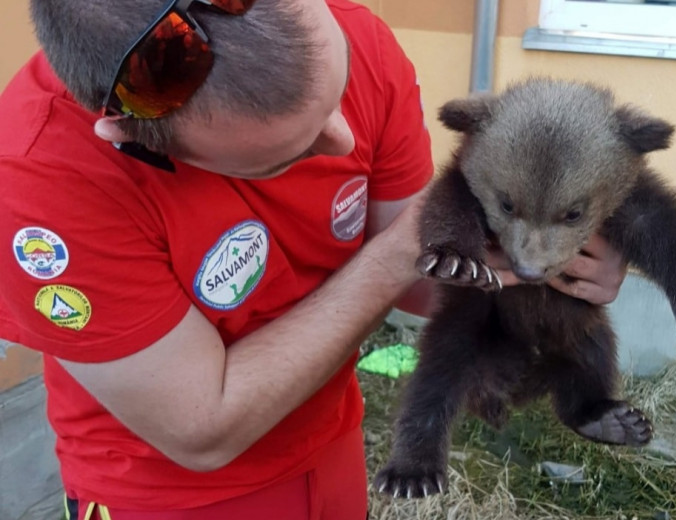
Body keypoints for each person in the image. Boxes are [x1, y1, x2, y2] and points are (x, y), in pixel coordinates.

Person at [0, 0, 627, 518]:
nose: (344, 140)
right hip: (166, 493)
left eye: (335, 101)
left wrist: (557, 277)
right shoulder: (40, 179)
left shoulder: (360, 40)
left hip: (331, 444)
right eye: (285, 156)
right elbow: (202, 429)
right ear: (131, 136)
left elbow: (424, 287)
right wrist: (397, 255)